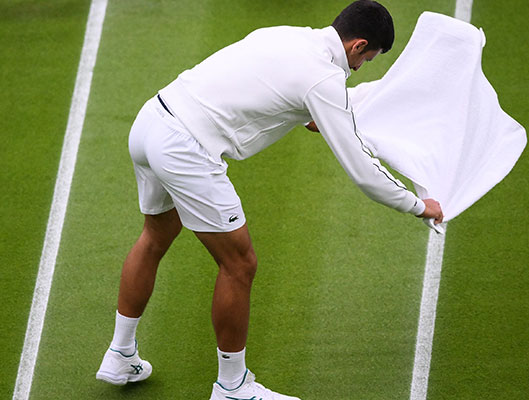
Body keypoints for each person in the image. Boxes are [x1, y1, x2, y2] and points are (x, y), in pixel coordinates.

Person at [95, 1, 443, 399]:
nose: (361, 68)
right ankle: (232, 387)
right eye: (368, 59)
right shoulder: (323, 79)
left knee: (155, 238)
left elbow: (266, 88)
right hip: (185, 149)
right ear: (358, 45)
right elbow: (362, 169)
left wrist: (309, 114)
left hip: (150, 122)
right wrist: (418, 205)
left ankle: (120, 354)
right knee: (239, 264)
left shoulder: (285, 34)